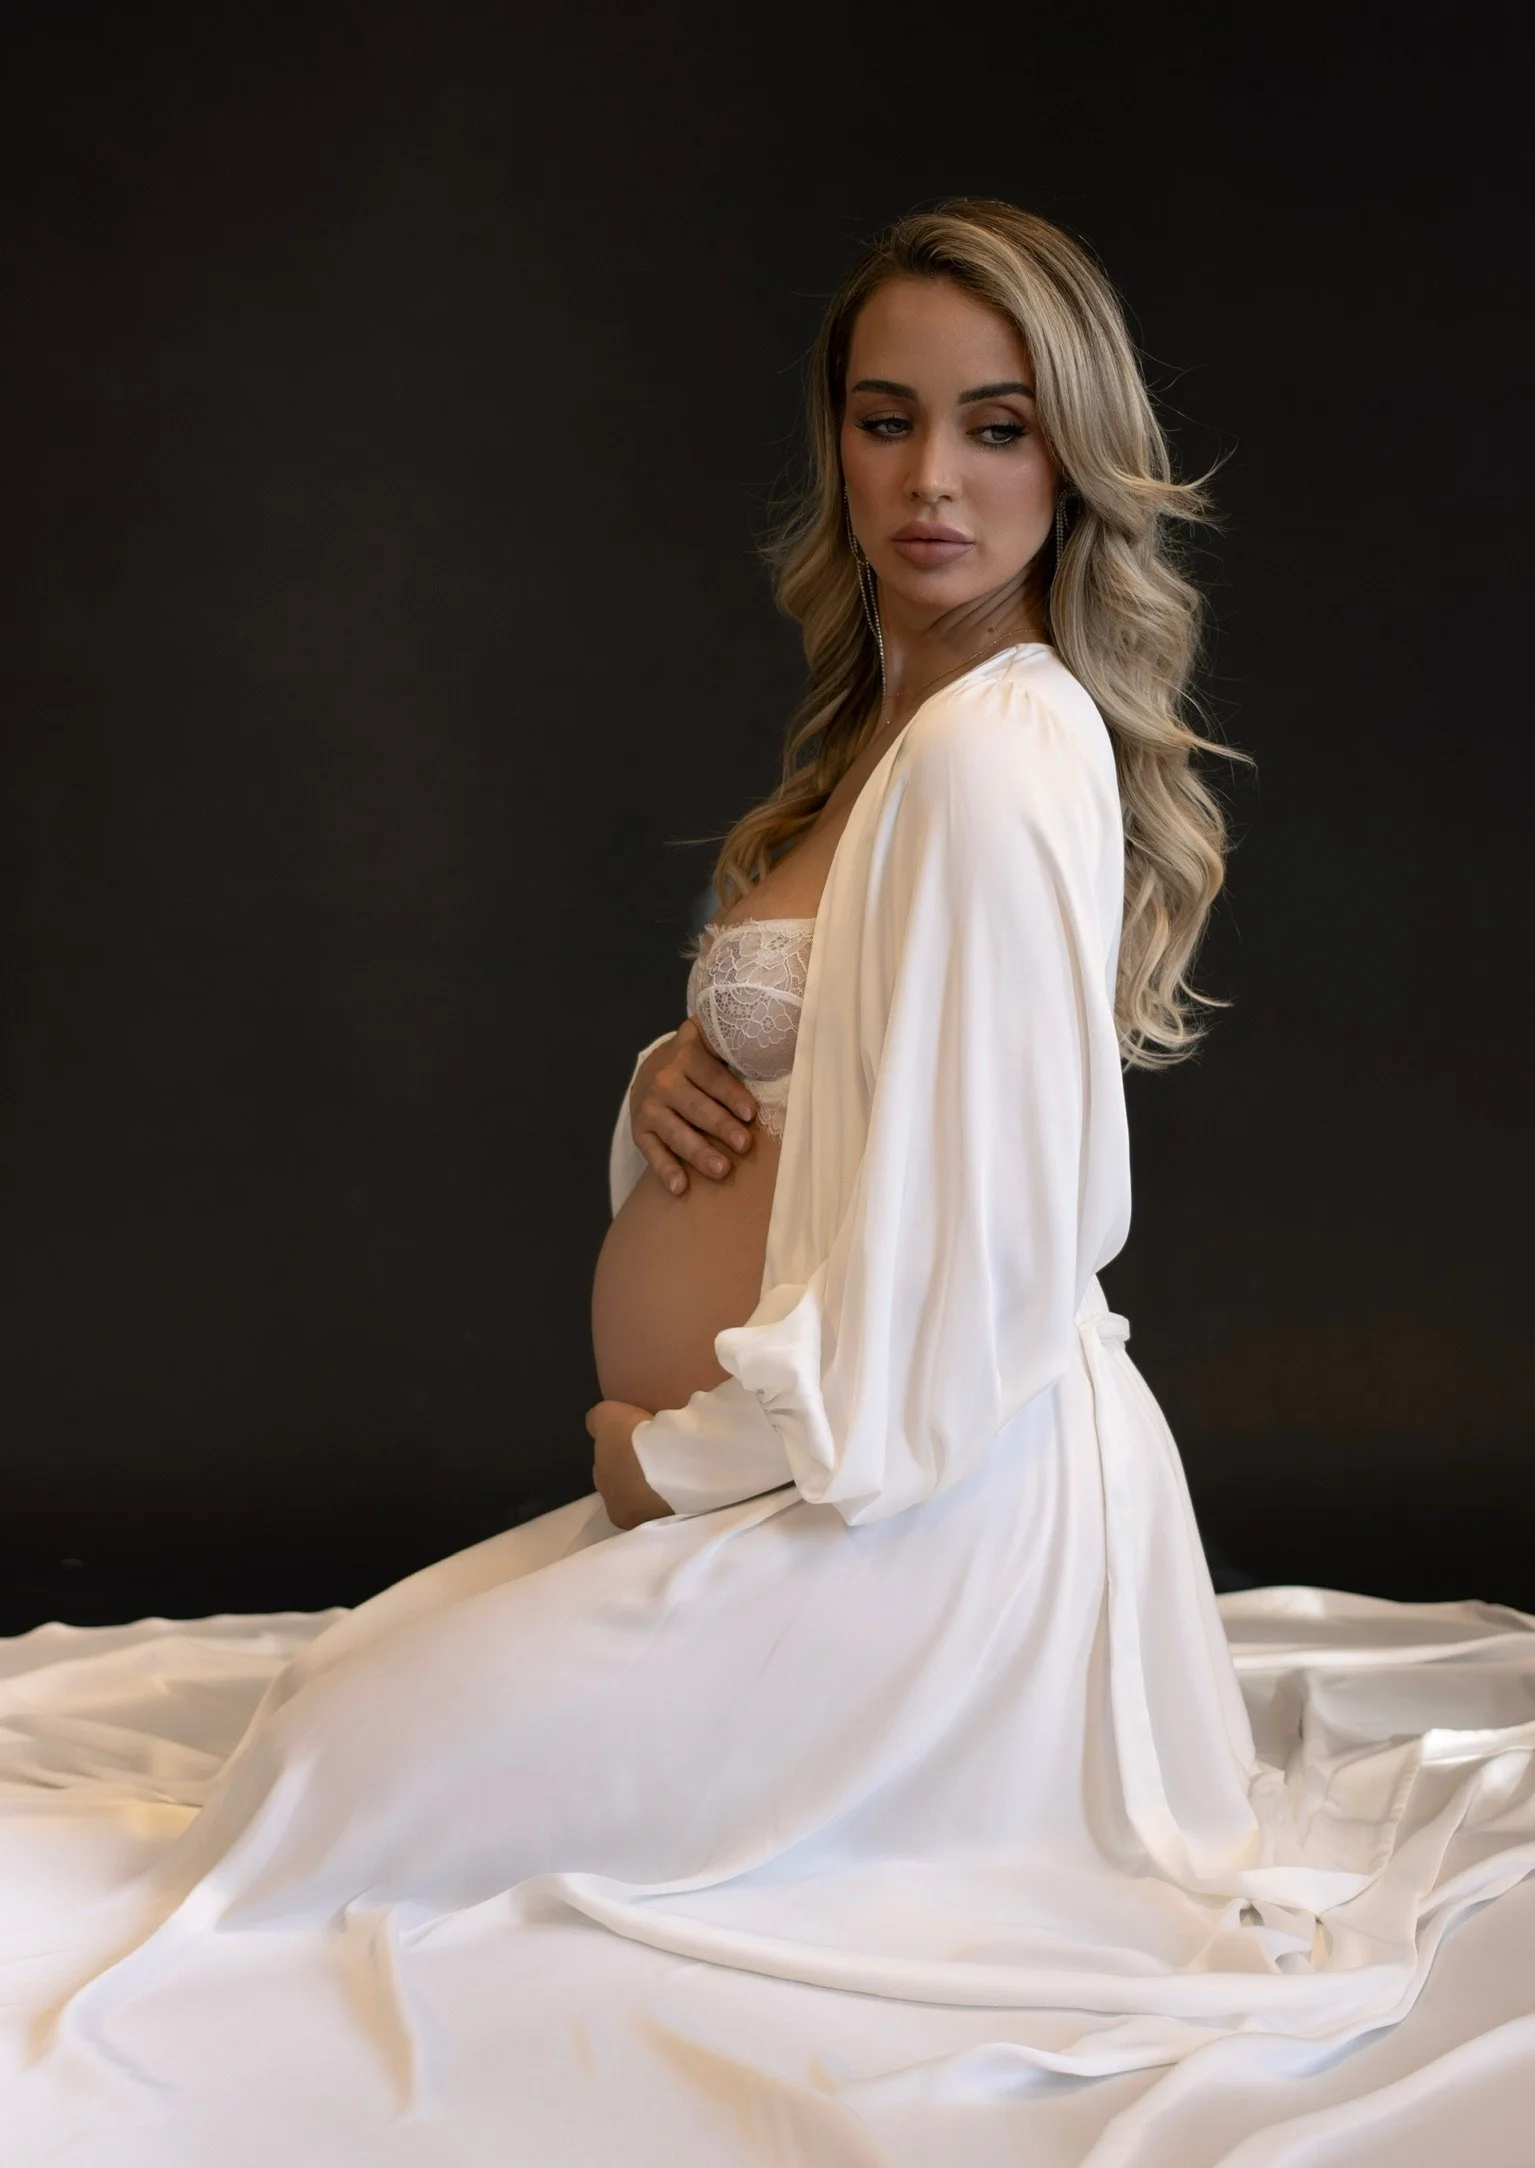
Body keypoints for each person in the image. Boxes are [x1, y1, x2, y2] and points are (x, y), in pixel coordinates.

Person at [2, 199, 1532, 2168]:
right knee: (331, 1729)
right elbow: (829, 1102)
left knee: (333, 1794)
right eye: (884, 419)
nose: (929, 479)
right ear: (832, 442)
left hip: (902, 1495)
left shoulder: (995, 748)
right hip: (808, 1457)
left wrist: (684, 1464)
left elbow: (990, 1250)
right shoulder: (884, 731)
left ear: (1069, 452)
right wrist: (669, 1083)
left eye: (994, 425)